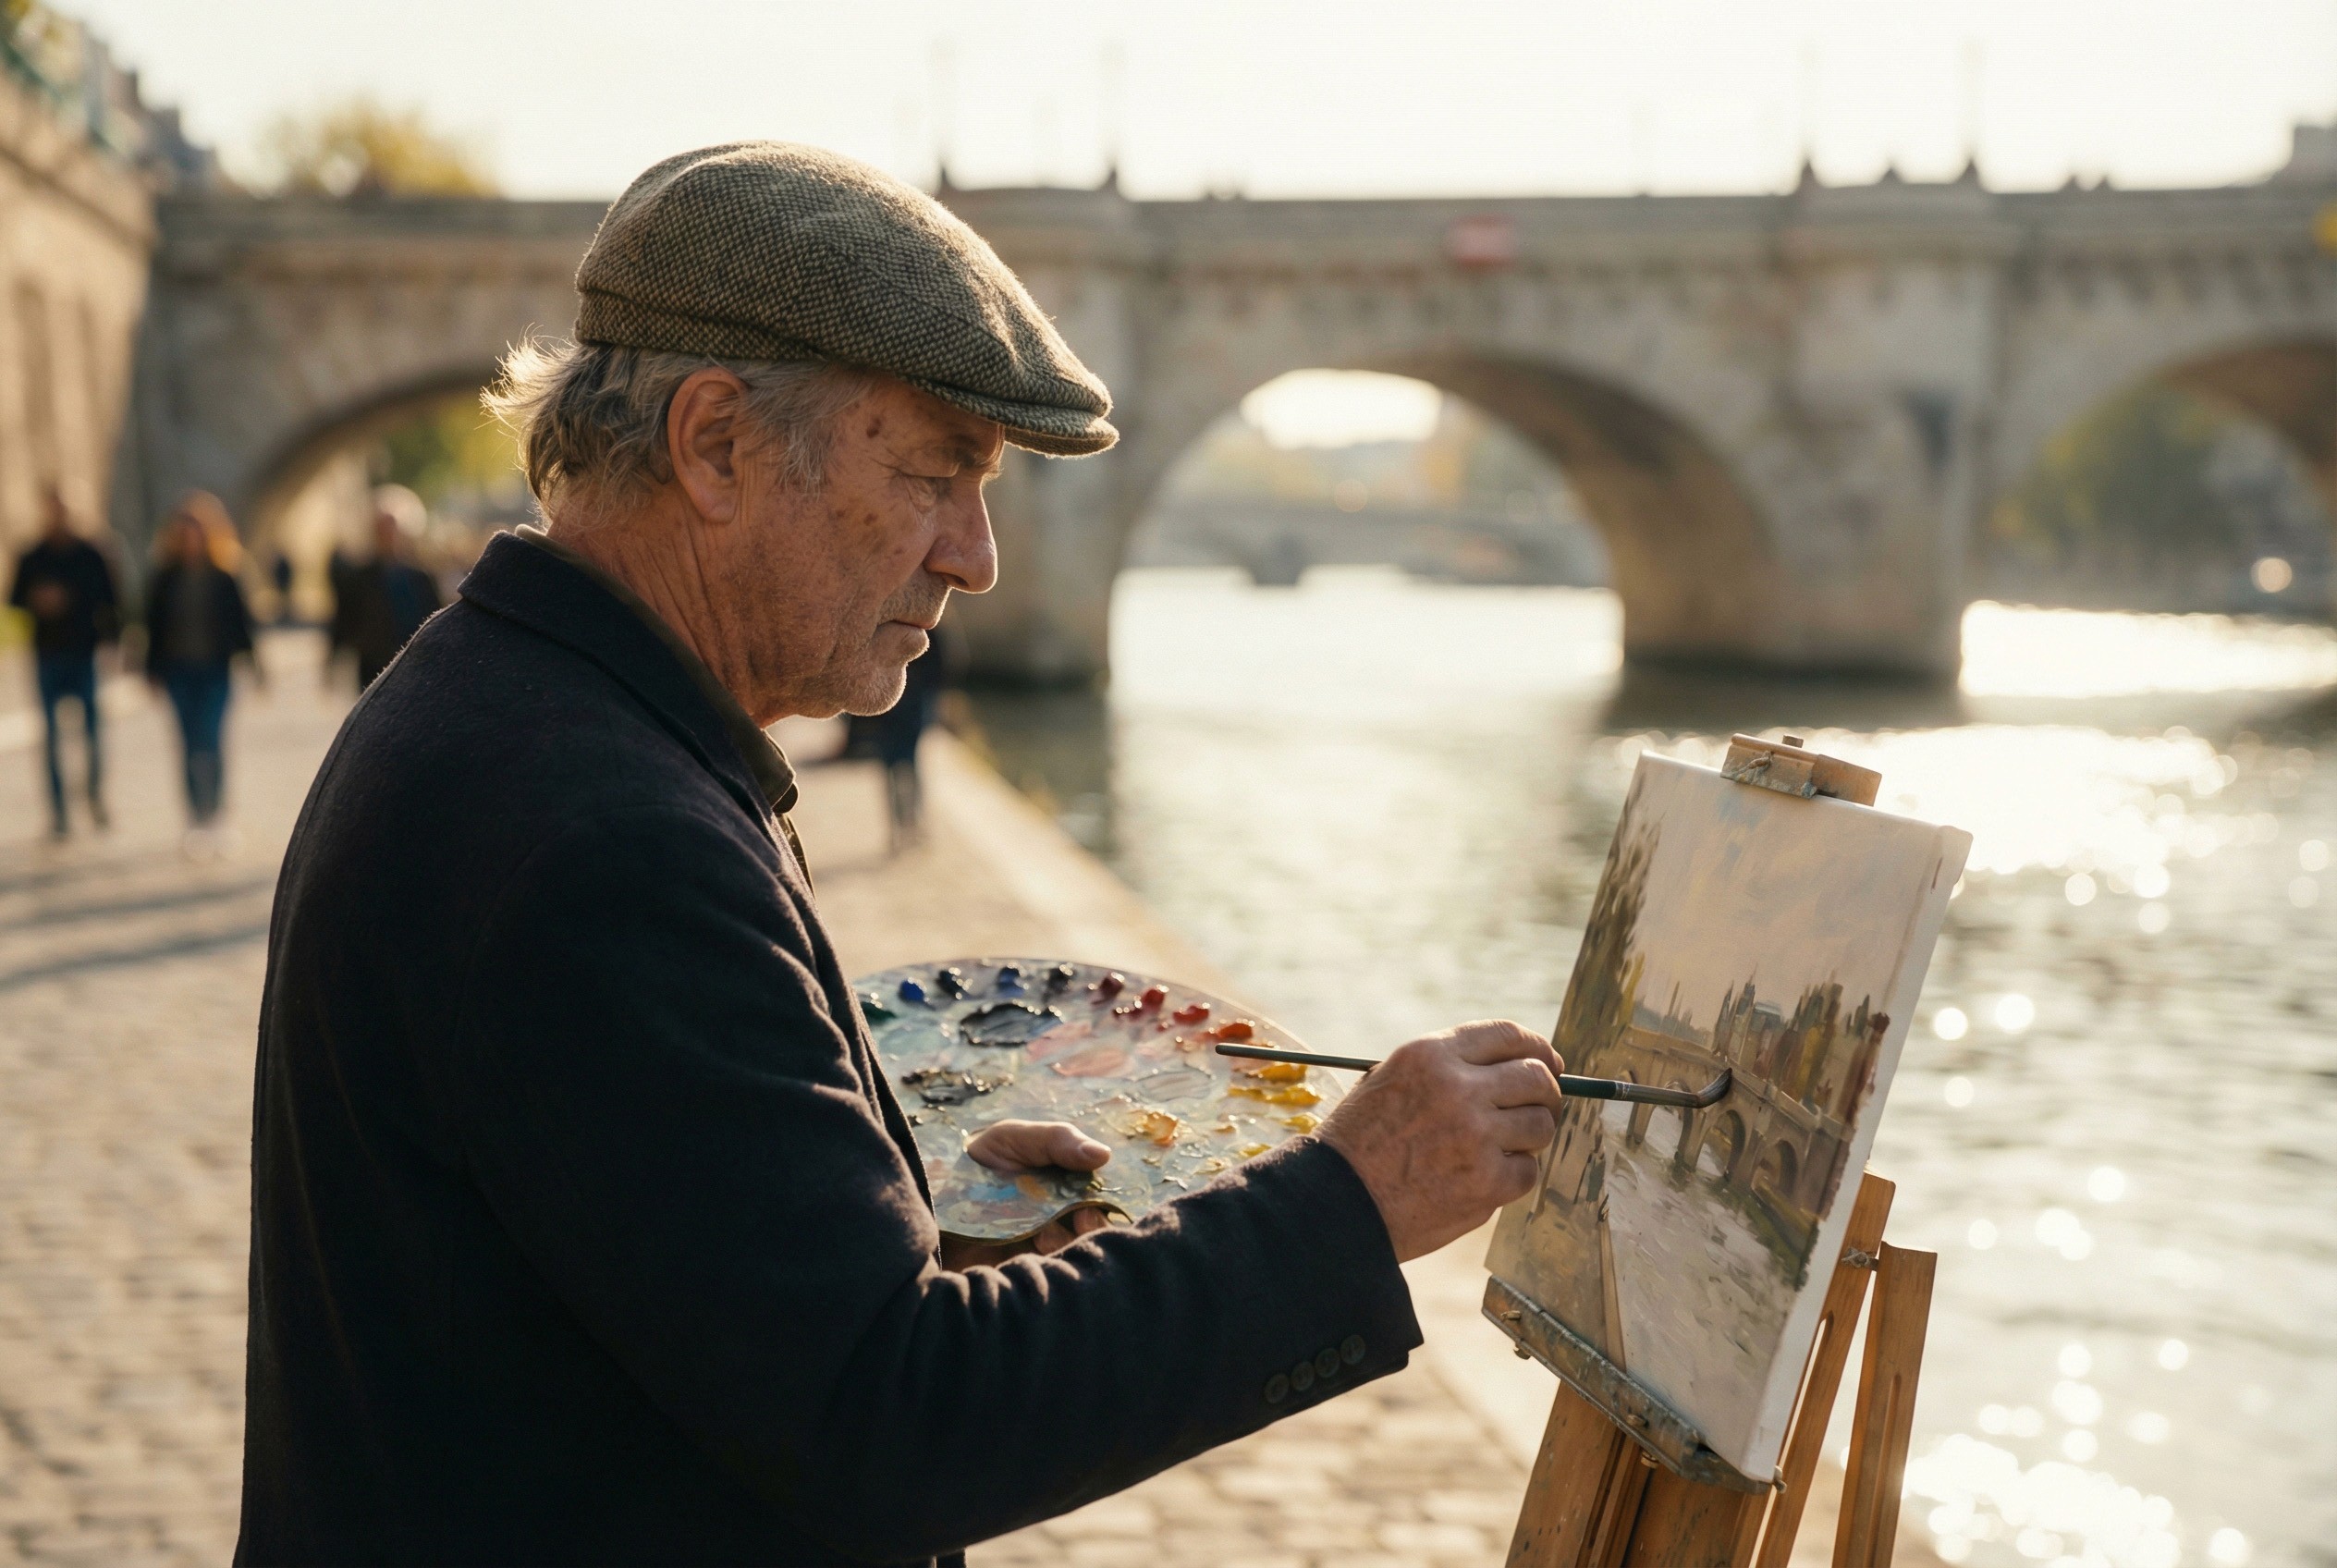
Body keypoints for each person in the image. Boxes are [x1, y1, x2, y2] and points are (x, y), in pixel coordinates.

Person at [239, 143, 1567, 1568]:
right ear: (716, 447)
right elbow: (894, 1419)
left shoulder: (526, 710)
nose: (977, 555)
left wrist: (910, 1219)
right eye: (938, 474)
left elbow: (640, 1268)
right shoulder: (601, 837)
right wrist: (1348, 1206)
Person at [142, 493, 257, 849]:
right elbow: (154, 627)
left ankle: (217, 813)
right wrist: (150, 669)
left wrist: (254, 662)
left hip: (215, 669)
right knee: (189, 743)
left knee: (211, 738)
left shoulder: (224, 577)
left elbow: (242, 623)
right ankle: (194, 816)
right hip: (179, 670)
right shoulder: (165, 579)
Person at [7, 484, 119, 838]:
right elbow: (13, 601)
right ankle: (58, 813)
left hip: (83, 653)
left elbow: (109, 598)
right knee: (52, 738)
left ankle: (94, 795)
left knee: (91, 733)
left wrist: (109, 640)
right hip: (48, 655)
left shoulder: (90, 553)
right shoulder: (33, 556)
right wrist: (37, 601)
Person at [325, 485, 444, 690]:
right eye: (381, 530)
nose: (387, 536)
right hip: (374, 667)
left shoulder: (420, 576)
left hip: (414, 663)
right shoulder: (359, 577)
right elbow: (344, 618)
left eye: (391, 529)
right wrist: (332, 660)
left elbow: (437, 617)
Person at [873, 622, 951, 851]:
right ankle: (909, 824)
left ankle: (903, 826)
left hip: (897, 709)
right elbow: (943, 666)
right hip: (909, 707)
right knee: (908, 766)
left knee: (894, 767)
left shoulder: (890, 625)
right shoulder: (929, 626)